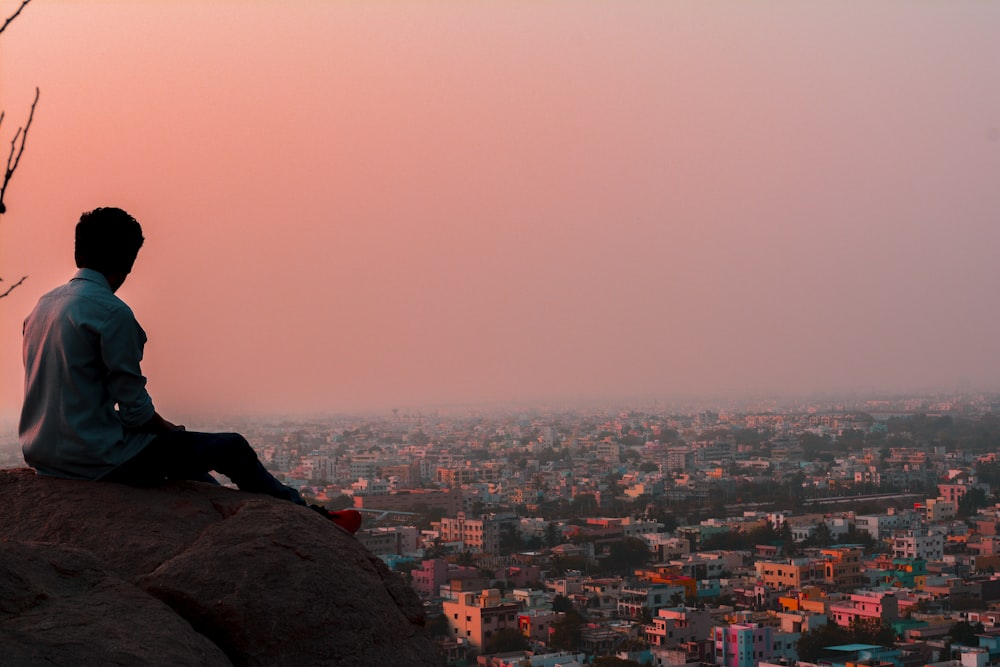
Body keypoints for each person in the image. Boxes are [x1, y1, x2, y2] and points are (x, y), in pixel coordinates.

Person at [19, 207, 361, 534]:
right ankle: (309, 519)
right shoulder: (110, 313)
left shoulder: (43, 306)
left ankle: (225, 513)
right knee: (231, 447)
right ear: (128, 260)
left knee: (189, 463)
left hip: (44, 454)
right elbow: (136, 411)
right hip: (94, 457)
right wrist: (169, 431)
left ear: (79, 251)